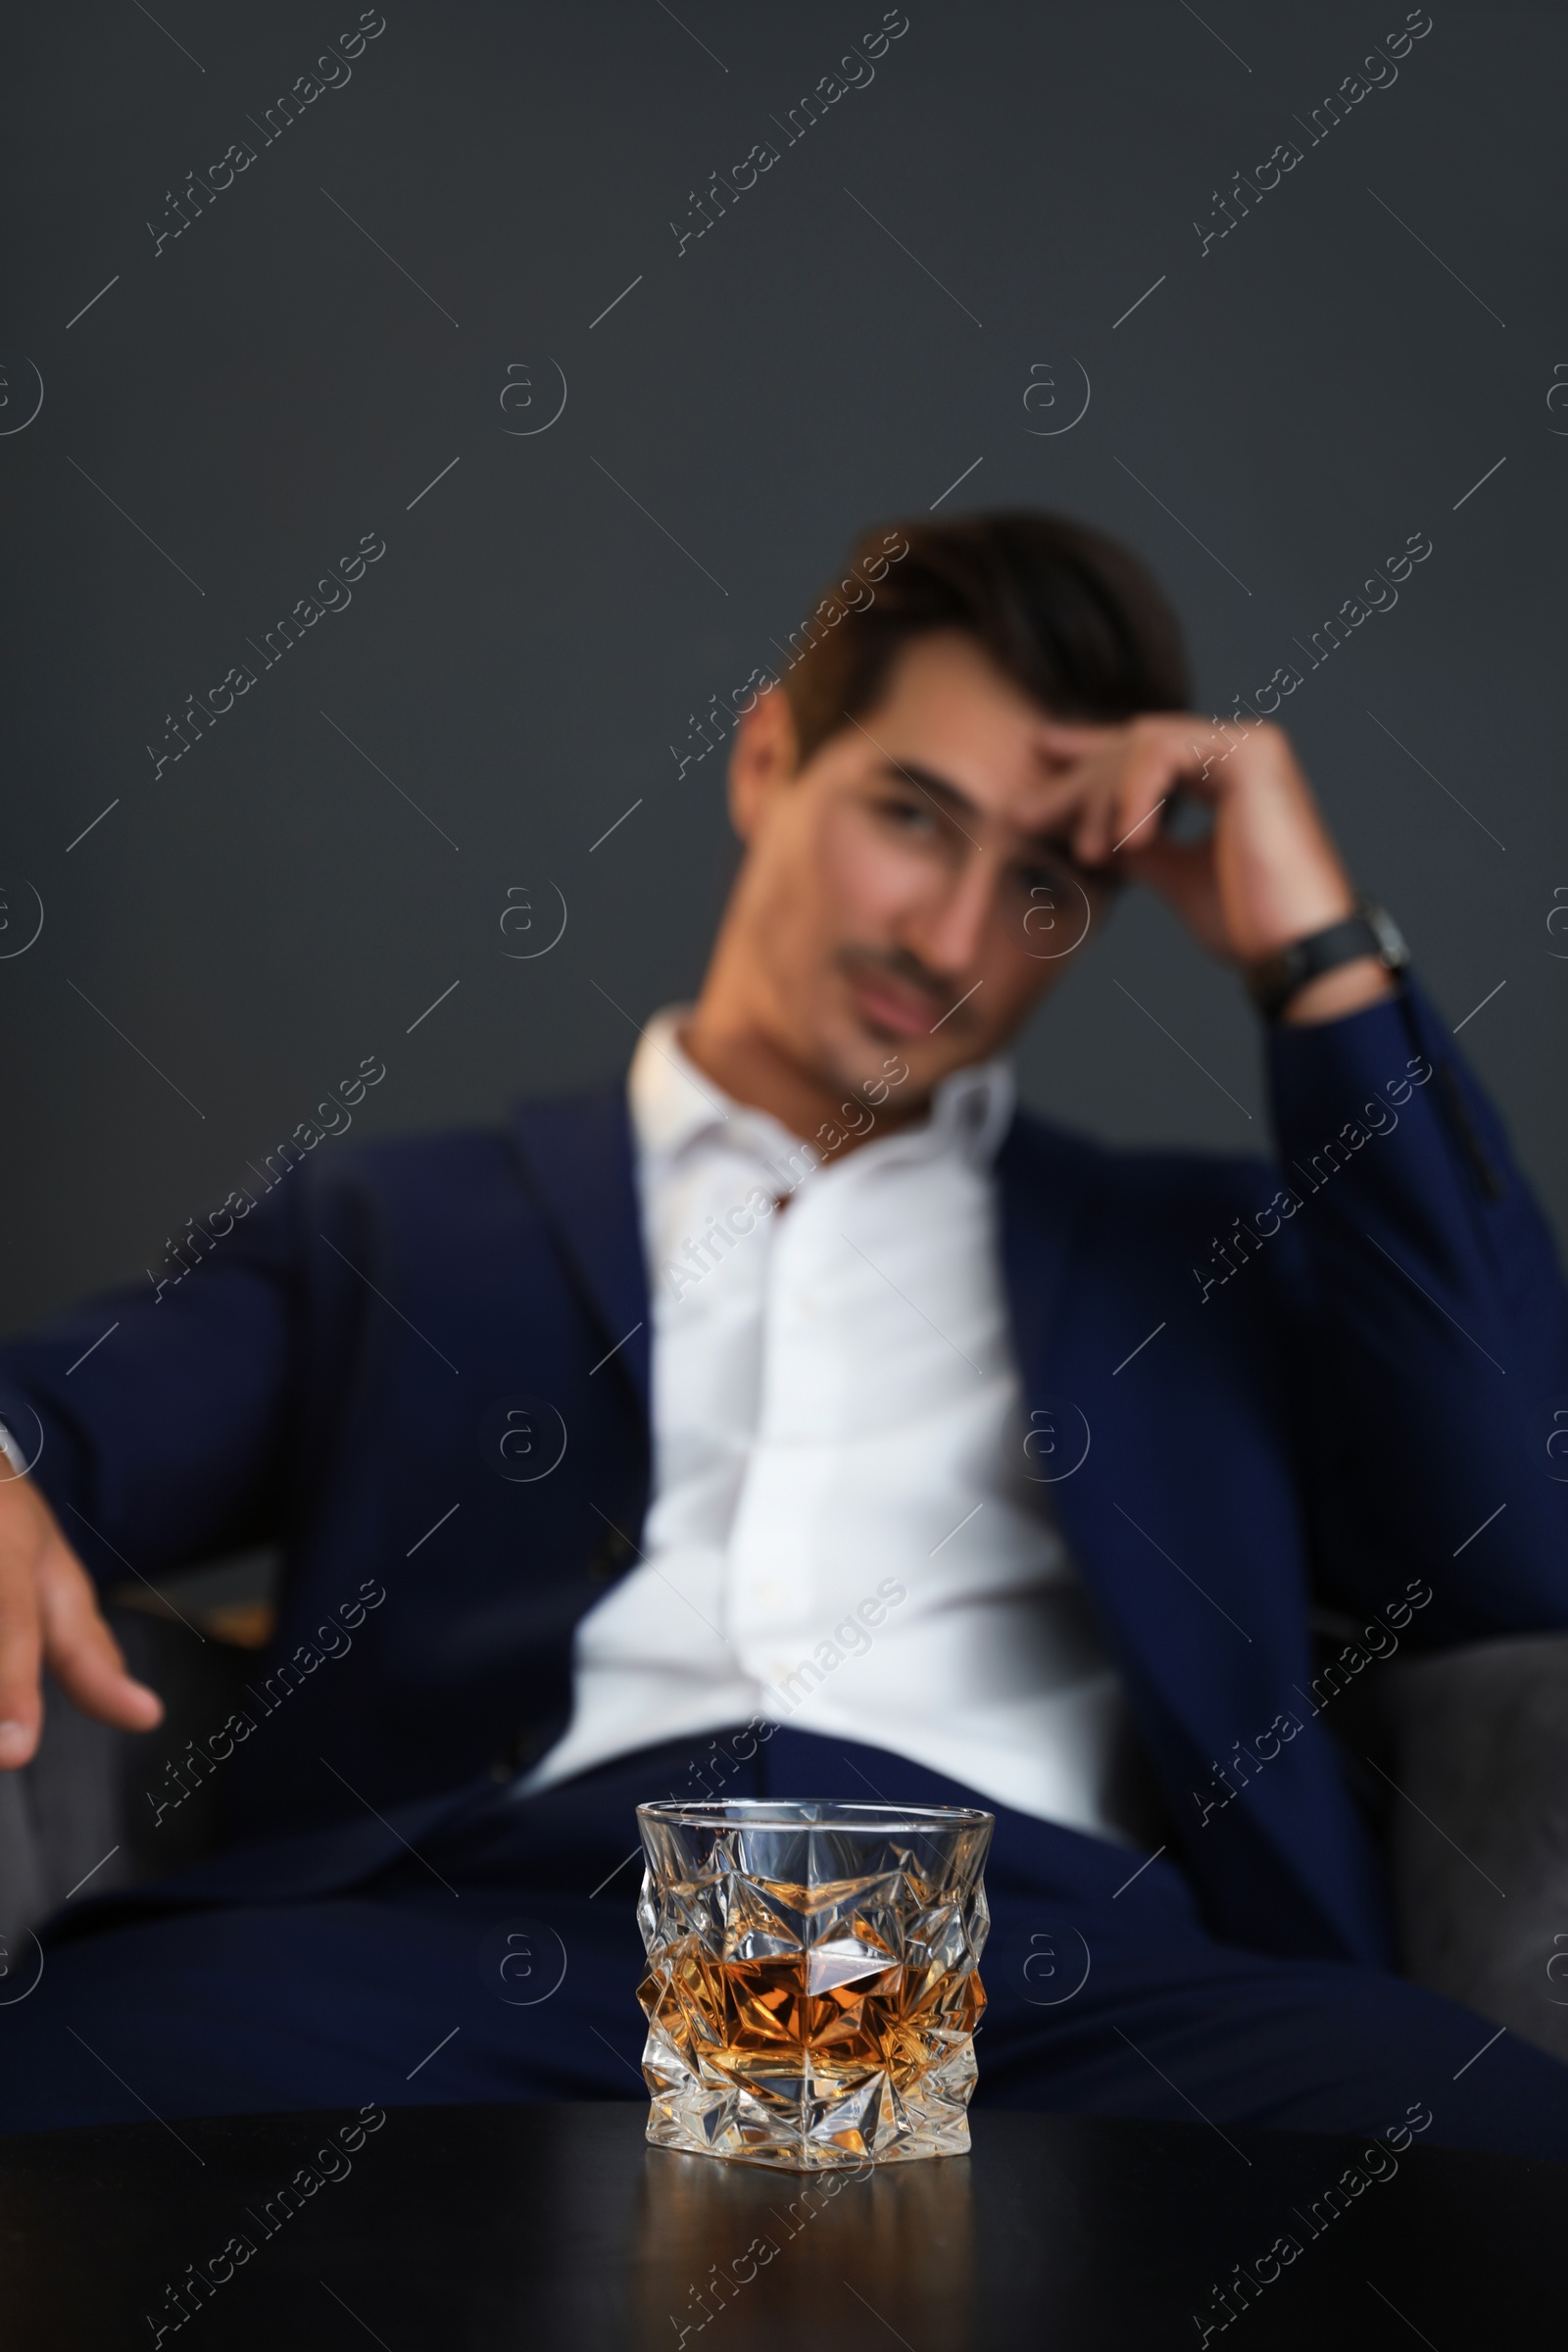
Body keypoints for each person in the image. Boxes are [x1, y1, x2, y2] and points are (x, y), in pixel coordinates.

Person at [2, 512, 1565, 2157]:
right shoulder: (402, 1227)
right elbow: (68, 1425)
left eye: (1041, 884)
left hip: (1050, 1972)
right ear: (765, 761)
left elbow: (1518, 1540)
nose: (952, 938)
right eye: (912, 815)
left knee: (1501, 2165)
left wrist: (1316, 961)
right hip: (492, 1938)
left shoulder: (1192, 1253)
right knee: (50, 2100)